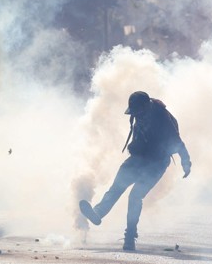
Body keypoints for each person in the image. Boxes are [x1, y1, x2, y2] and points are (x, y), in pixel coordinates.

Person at [78, 91, 192, 251]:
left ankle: (130, 237)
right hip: (138, 158)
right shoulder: (139, 113)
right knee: (116, 187)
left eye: (138, 111)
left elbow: (178, 141)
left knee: (135, 196)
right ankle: (97, 213)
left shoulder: (161, 118)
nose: (136, 115)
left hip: (157, 163)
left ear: (146, 107)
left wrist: (186, 162)